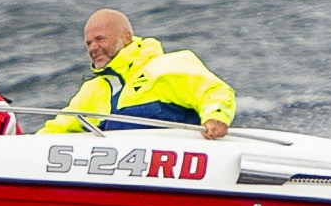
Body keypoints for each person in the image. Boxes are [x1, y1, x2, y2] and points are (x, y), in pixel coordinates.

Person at [38, 10, 234, 139]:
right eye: (88, 43)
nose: (93, 48)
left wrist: (216, 118)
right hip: (121, 185)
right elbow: (58, 129)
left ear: (126, 38)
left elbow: (215, 91)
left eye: (100, 39)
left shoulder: (166, 67)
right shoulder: (93, 90)